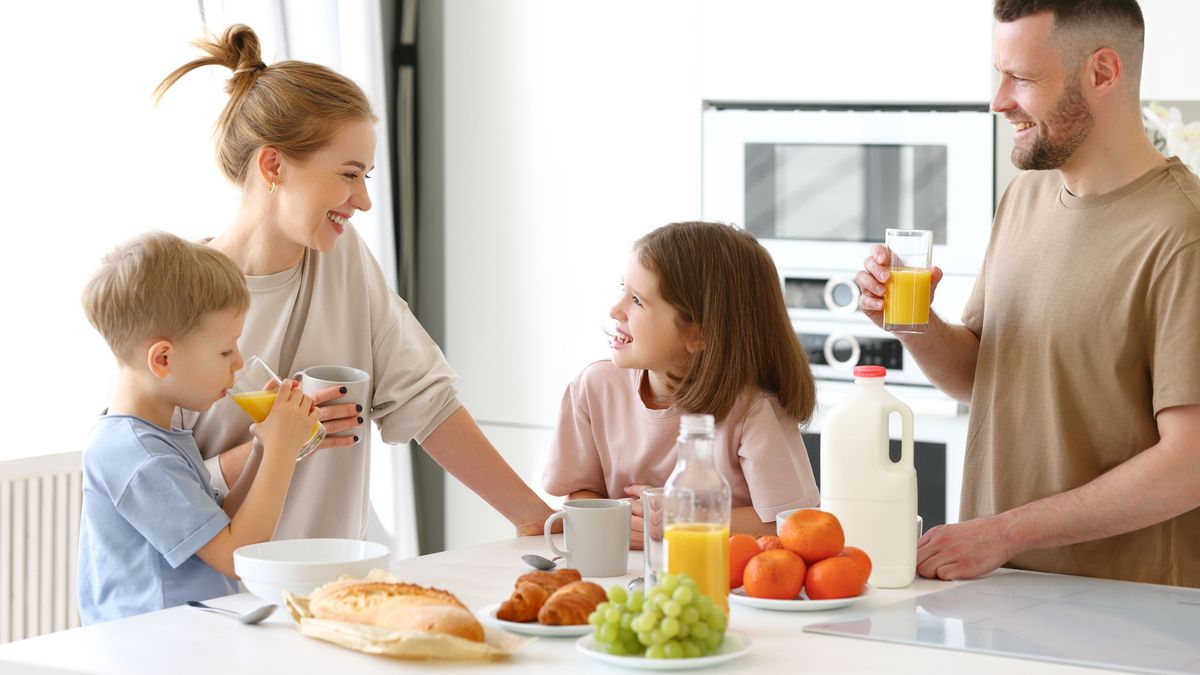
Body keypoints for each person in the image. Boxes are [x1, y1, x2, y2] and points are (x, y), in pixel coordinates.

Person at [154, 24, 554, 541]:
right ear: (273, 165)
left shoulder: (341, 258)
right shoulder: (173, 293)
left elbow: (427, 403)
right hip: (218, 599)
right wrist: (282, 439)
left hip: (334, 583)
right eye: (347, 174)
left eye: (366, 176)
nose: (363, 199)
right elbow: (153, 493)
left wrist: (537, 519)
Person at [855, 0, 1200, 586]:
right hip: (997, 588)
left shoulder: (1181, 233)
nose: (998, 100)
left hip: (1127, 616)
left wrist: (1004, 531)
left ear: (1102, 73)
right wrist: (915, 324)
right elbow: (985, 378)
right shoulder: (1024, 196)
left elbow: (1189, 463)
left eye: (1021, 78)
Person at [77, 232, 318, 623]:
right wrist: (282, 451)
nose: (238, 362)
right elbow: (236, 556)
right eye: (226, 350)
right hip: (153, 652)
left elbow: (220, 528)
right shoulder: (138, 455)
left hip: (185, 639)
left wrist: (261, 447)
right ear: (163, 359)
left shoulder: (155, 437)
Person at [542, 221, 821, 547]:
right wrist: (615, 518)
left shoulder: (752, 411)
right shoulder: (595, 387)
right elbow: (581, 493)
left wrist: (683, 519)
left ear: (698, 335)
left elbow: (792, 523)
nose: (615, 310)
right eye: (623, 290)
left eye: (637, 300)